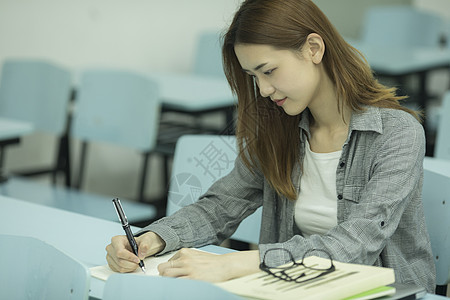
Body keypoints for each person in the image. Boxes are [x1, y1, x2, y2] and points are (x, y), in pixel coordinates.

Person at [106, 0, 436, 292]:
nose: (263, 89)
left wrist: (237, 264)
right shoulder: (280, 129)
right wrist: (151, 240)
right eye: (254, 77)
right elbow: (221, 206)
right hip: (297, 288)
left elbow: (358, 243)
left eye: (269, 71)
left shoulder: (397, 133)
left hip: (384, 290)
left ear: (314, 49)